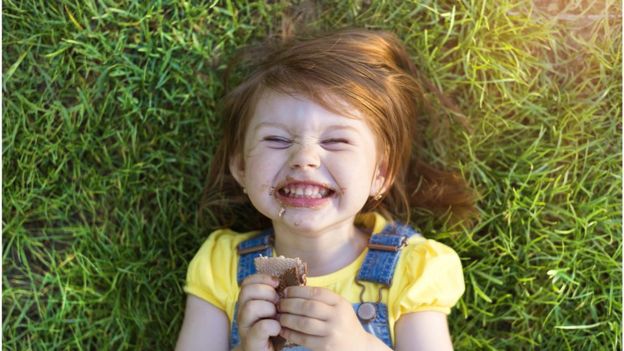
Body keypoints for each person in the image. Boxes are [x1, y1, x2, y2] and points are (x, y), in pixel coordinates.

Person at [175, 27, 476, 351]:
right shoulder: (223, 266)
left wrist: (359, 346)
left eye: (336, 141)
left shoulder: (410, 270)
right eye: (276, 139)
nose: (304, 158)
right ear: (242, 169)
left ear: (381, 173)